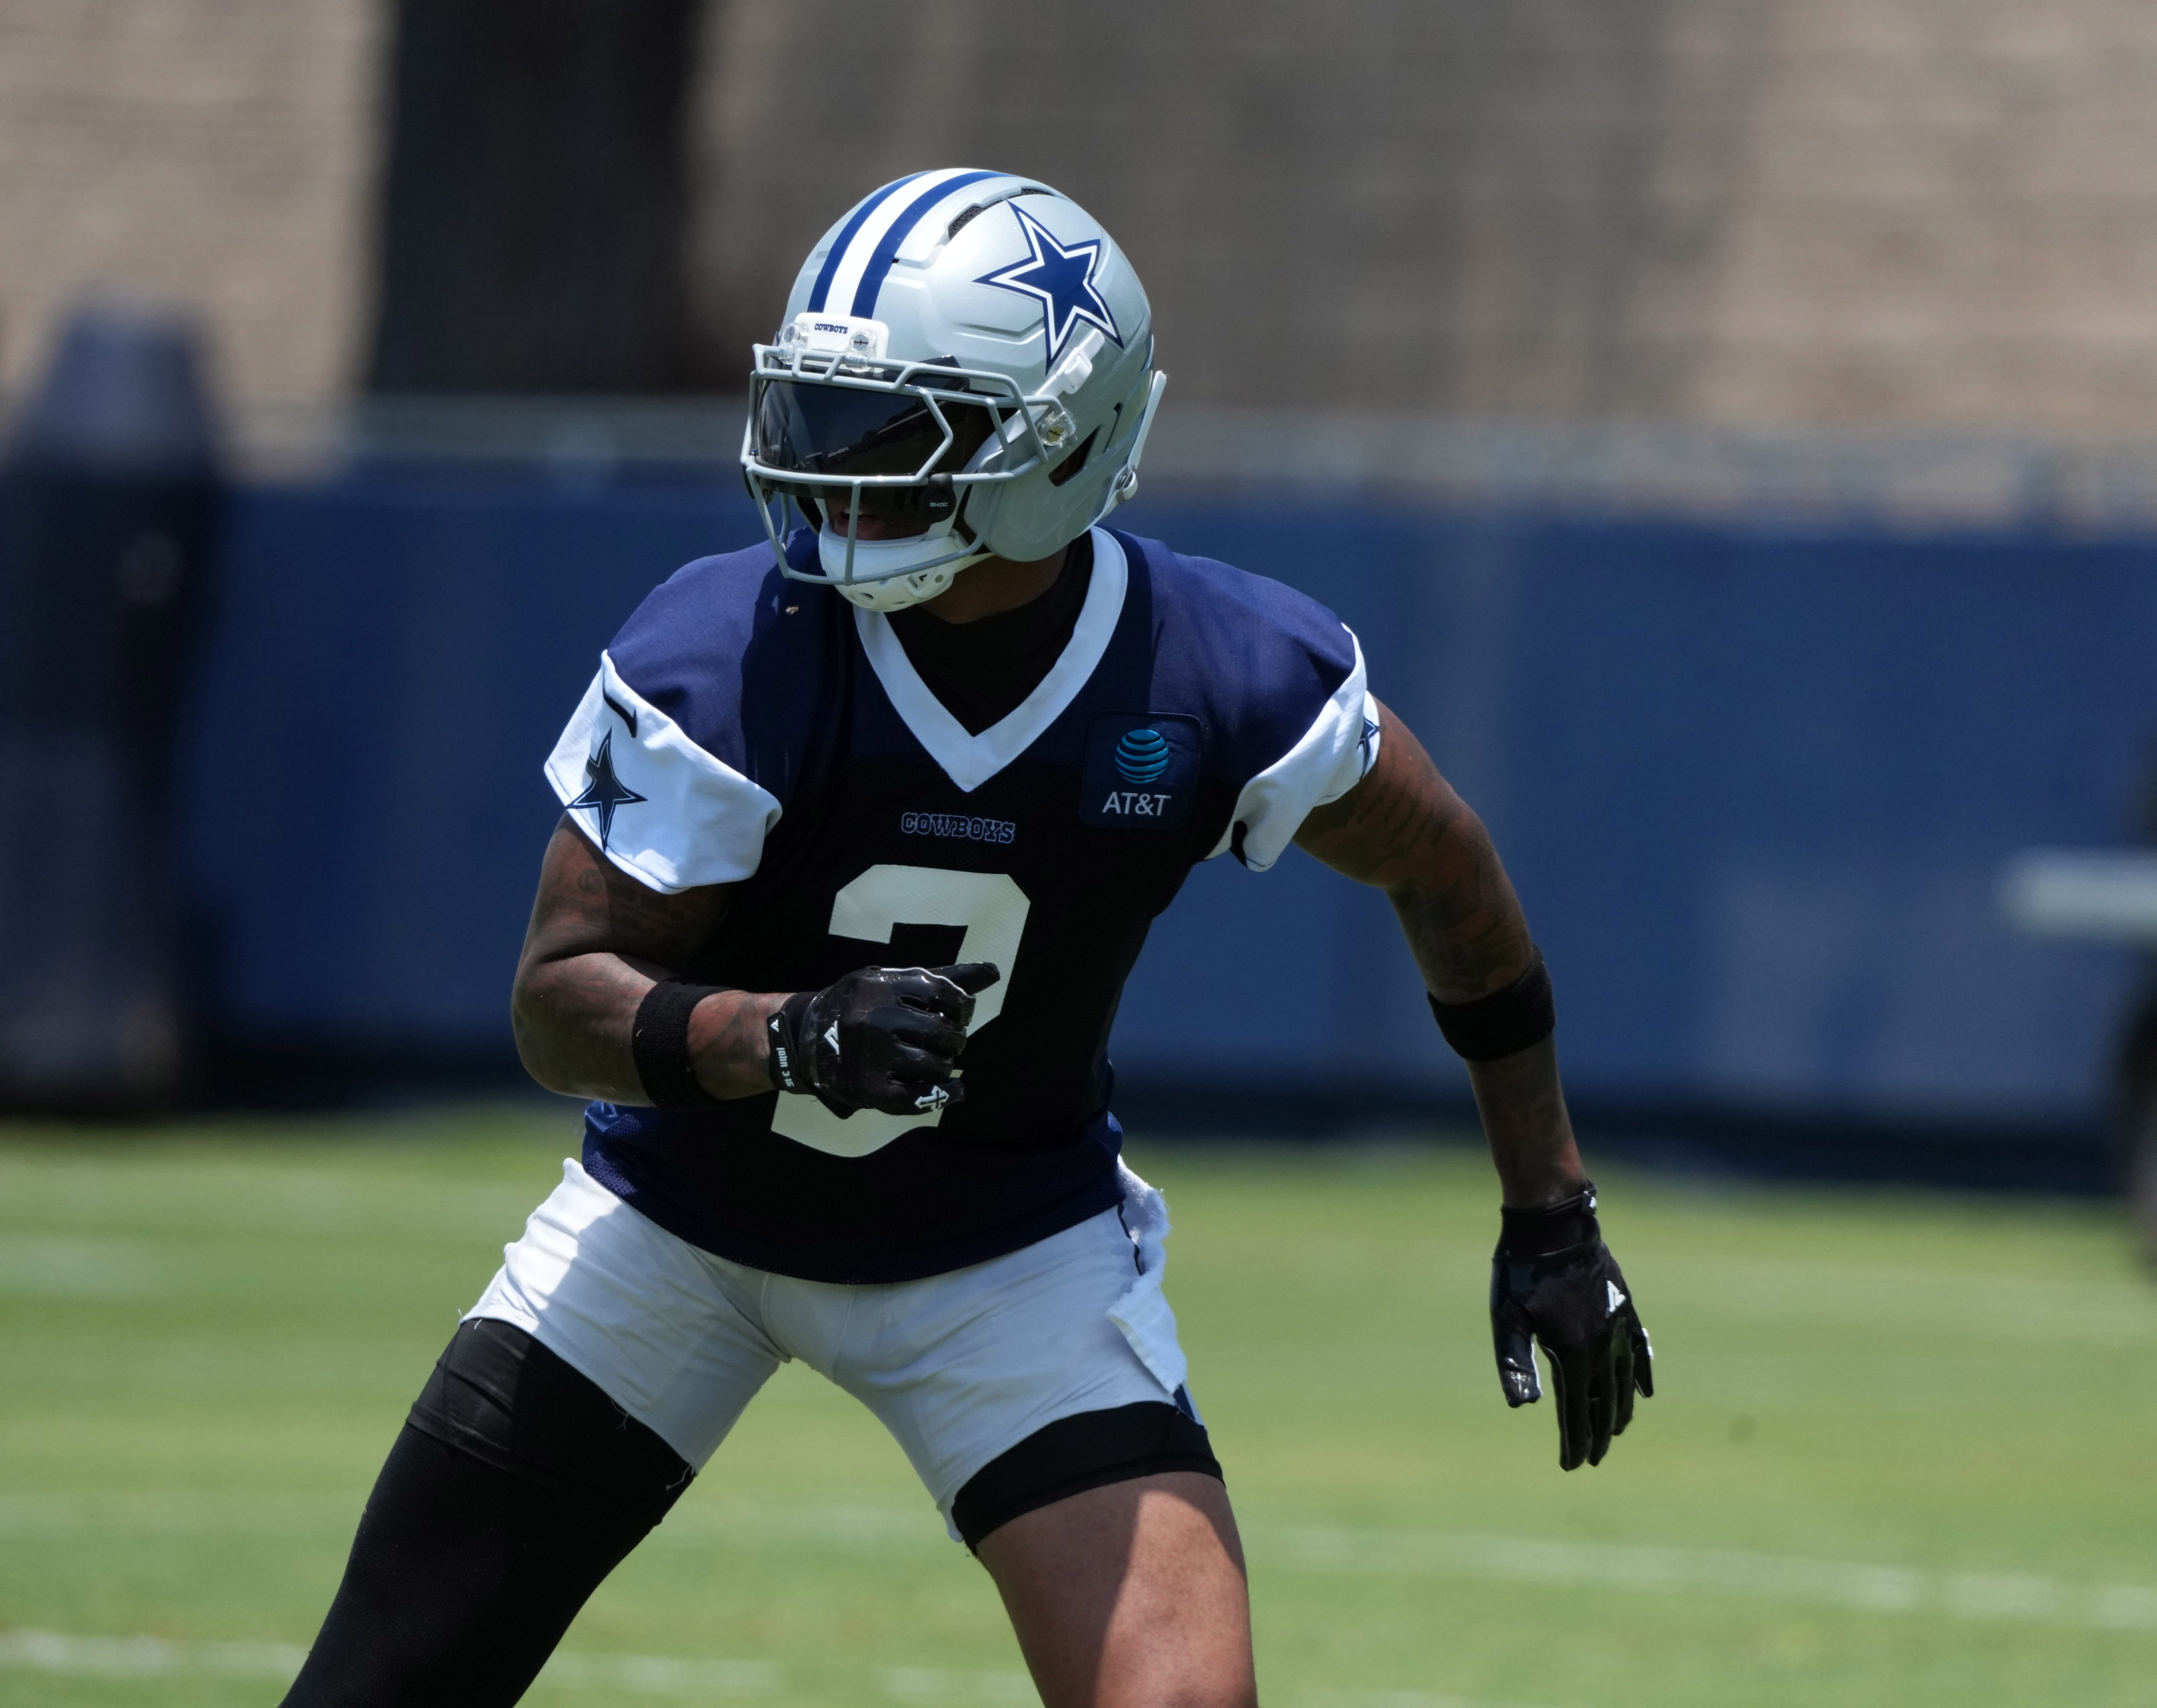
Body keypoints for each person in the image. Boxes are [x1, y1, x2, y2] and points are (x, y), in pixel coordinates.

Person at [281, 169, 1655, 1708]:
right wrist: (778, 1035)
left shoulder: (1215, 673)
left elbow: (1452, 880)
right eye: (813, 421)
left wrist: (1553, 1213)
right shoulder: (729, 647)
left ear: (1058, 442)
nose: (828, 479)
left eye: (888, 436)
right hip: (675, 1232)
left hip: (1005, 1258)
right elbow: (555, 1002)